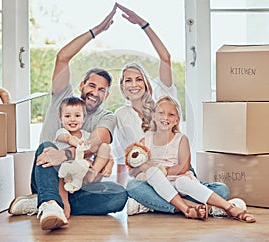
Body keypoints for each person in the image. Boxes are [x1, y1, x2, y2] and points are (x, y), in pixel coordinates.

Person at [8, 5, 127, 231]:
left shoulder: (107, 116)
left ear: (107, 94)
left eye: (102, 89)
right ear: (81, 85)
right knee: (46, 147)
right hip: (48, 172)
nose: (95, 91)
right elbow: (62, 57)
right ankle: (51, 203)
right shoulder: (64, 99)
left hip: (79, 182)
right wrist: (97, 30)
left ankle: (41, 202)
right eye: (92, 85)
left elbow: (95, 143)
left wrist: (64, 154)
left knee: (119, 196)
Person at [111, 3, 230, 215]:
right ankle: (192, 207)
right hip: (148, 177)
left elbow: (165, 58)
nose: (134, 84)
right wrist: (120, 193)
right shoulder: (121, 115)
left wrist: (143, 24)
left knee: (222, 188)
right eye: (128, 80)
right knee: (133, 188)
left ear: (146, 83)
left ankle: (161, 205)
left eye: (139, 79)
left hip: (177, 172)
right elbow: (122, 157)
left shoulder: (161, 103)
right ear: (122, 87)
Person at [128, 96, 255, 222]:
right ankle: (195, 209)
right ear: (153, 115)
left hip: (180, 182)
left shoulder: (181, 139)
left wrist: (162, 170)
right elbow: (132, 172)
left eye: (171, 114)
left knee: (221, 189)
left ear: (177, 120)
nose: (165, 117)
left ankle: (228, 208)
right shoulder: (145, 140)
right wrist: (141, 166)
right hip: (157, 185)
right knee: (134, 185)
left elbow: (183, 168)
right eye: (161, 113)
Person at [55, 96, 114, 218]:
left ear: (84, 118)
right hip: (68, 177)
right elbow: (67, 138)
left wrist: (109, 164)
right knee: (61, 172)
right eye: (67, 116)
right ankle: (64, 202)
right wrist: (77, 143)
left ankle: (93, 173)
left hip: (85, 175)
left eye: (77, 116)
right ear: (60, 118)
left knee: (105, 147)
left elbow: (105, 152)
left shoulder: (87, 136)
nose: (72, 119)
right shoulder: (61, 132)